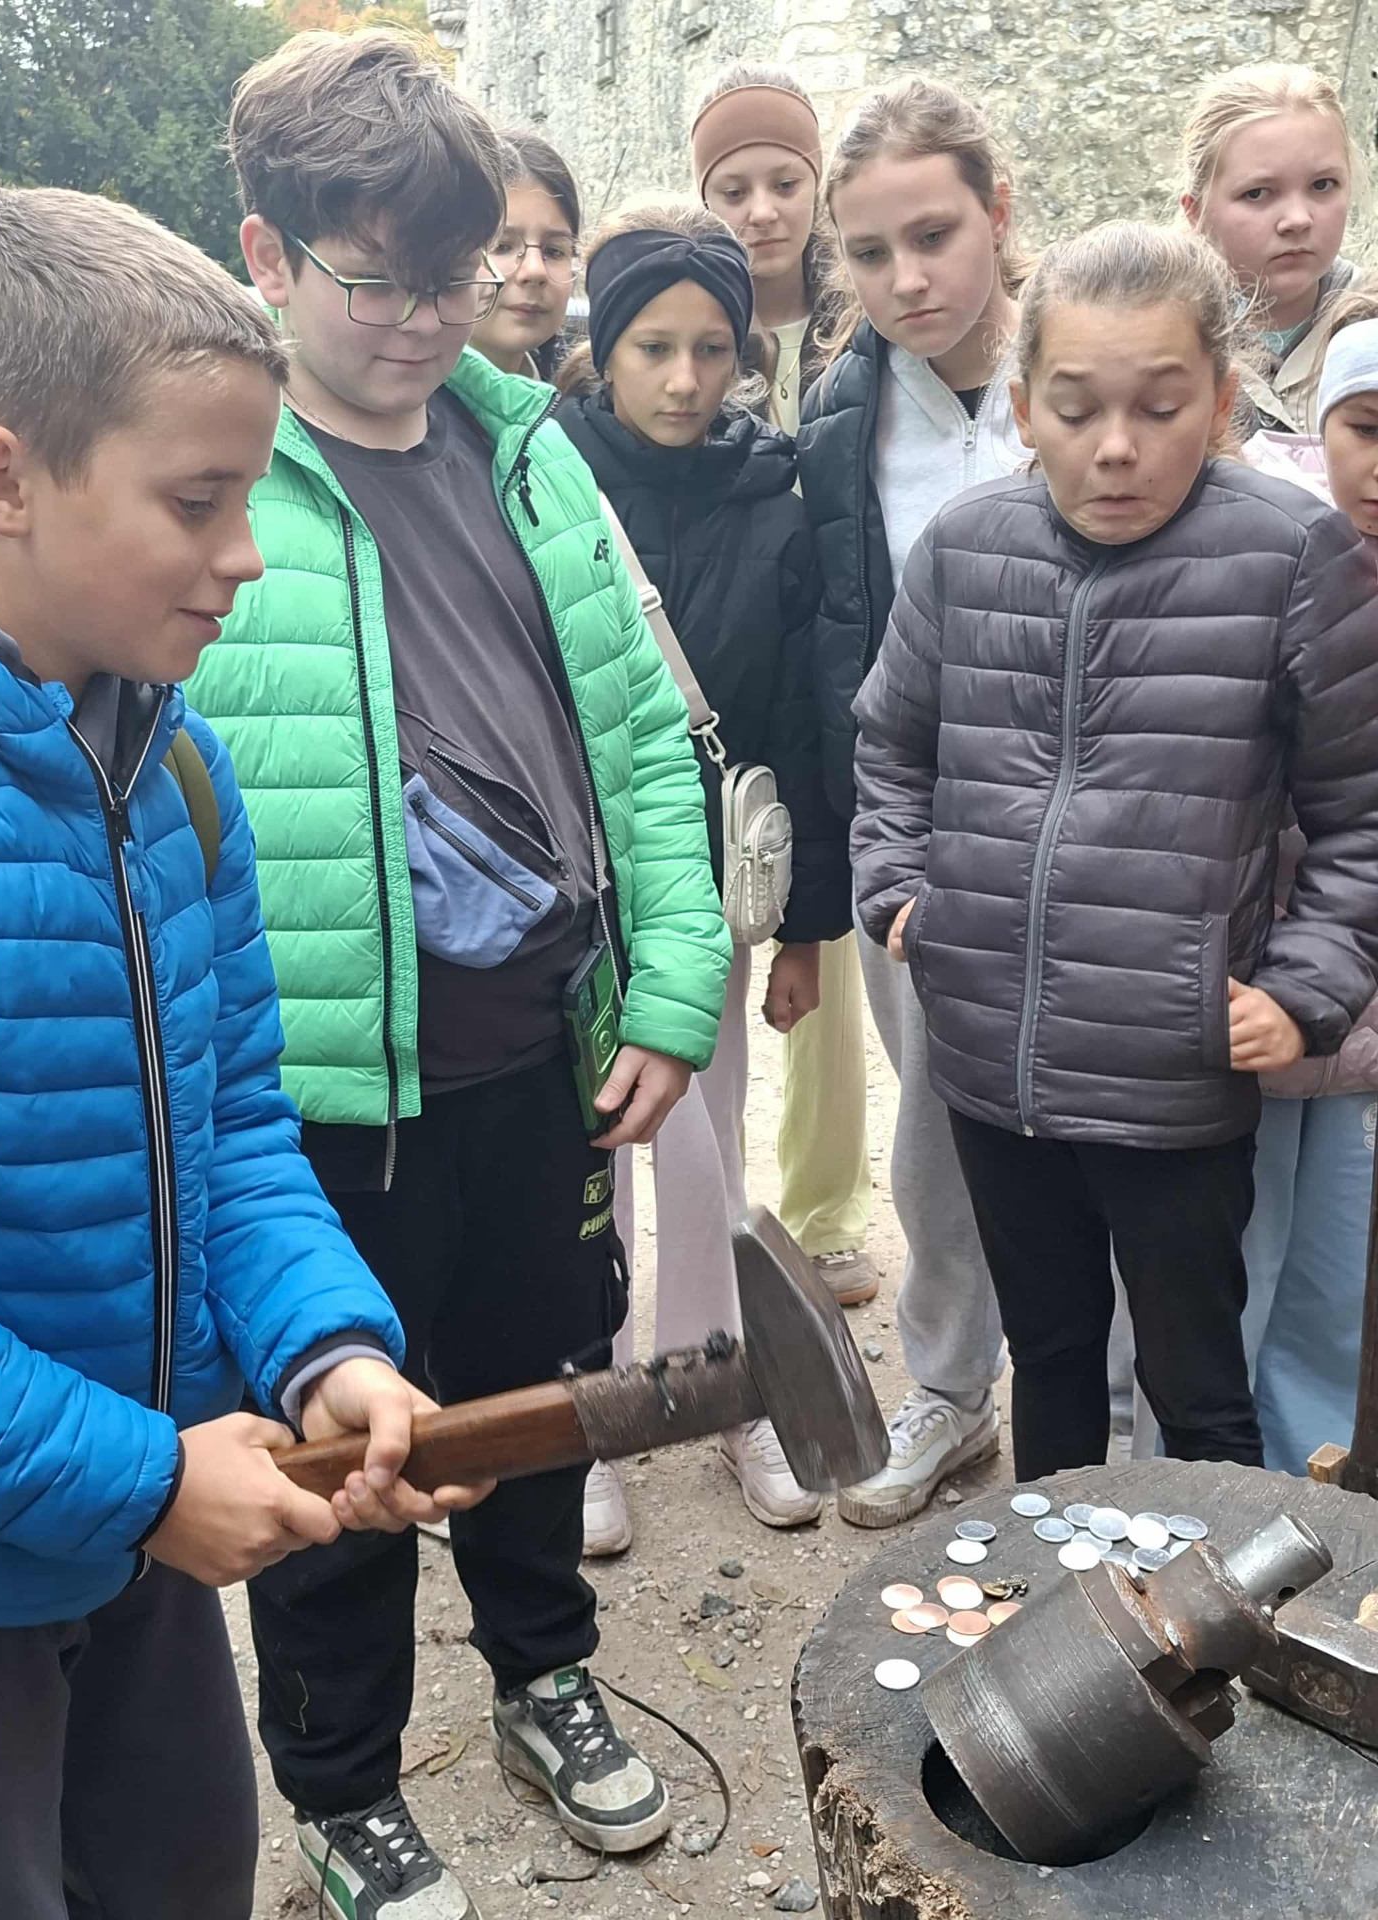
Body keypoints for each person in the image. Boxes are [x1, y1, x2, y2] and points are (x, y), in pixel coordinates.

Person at [187, 30, 730, 1919]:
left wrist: (675, 975)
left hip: (530, 1063)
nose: (430, 319)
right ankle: (343, 1786)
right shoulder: (215, 476)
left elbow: (644, 737)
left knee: (535, 1393)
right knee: (344, 1455)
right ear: (267, 254)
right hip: (318, 1101)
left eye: (460, 271)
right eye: (380, 281)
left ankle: (545, 1681)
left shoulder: (531, 450)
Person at [0, 183, 487, 1920]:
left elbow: (239, 1125)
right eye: (199, 500)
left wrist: (327, 1350)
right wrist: (146, 1475)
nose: (247, 551)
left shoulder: (178, 773)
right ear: (2, 478)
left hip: (142, 1551)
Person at [852, 220, 1378, 1484]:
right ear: (1025, 408)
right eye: (1079, 409)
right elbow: (890, 746)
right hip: (992, 1062)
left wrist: (1304, 990)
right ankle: (1057, 1591)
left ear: (1223, 401)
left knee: (1194, 1386)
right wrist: (900, 886)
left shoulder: (1293, 556)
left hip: (1176, 1076)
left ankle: (1217, 1598)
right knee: (1050, 1354)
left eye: (1161, 406)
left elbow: (1362, 815)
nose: (1118, 448)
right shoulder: (964, 548)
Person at [557, 202, 851, 1543]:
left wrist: (805, 928)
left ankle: (725, 1390)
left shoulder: (773, 498)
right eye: (653, 348)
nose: (684, 380)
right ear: (606, 347)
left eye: (712, 349)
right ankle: (593, 1405)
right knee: (585, 1154)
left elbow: (797, 722)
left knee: (706, 1136)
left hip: (709, 885)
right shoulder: (544, 482)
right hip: (573, 877)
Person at [796, 74, 1027, 1527]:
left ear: (999, 213)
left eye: (935, 235)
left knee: (1113, 1137)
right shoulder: (842, 419)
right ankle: (949, 1388)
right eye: (871, 253)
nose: (907, 279)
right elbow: (841, 642)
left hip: (1109, 827)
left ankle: (1114, 1413)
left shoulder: (1090, 369)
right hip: (925, 833)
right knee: (936, 1128)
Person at [692, 62, 877, 1311]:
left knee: (825, 956)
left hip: (835, 655)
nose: (762, 209)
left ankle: (824, 1211)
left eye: (783, 182)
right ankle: (713, 1234)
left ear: (817, 188)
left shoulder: (857, 327)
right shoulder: (687, 323)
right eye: (734, 187)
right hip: (730, 653)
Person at [1233, 297, 1378, 1475]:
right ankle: (1202, 1488)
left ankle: (1313, 1495)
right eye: (1366, 427)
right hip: (1262, 997)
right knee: (1233, 1264)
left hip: (1367, 1024)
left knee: (1338, 1282)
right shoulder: (1263, 564)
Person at [1180, 62, 1357, 433]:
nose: (1297, 219)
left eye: (1322, 185)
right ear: (1196, 212)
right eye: (1257, 193)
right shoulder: (1164, 341)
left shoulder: (1368, 324)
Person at [470, 128, 580, 382]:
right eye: (502, 246)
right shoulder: (408, 402)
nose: (535, 270)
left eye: (554, 251)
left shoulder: (574, 397)